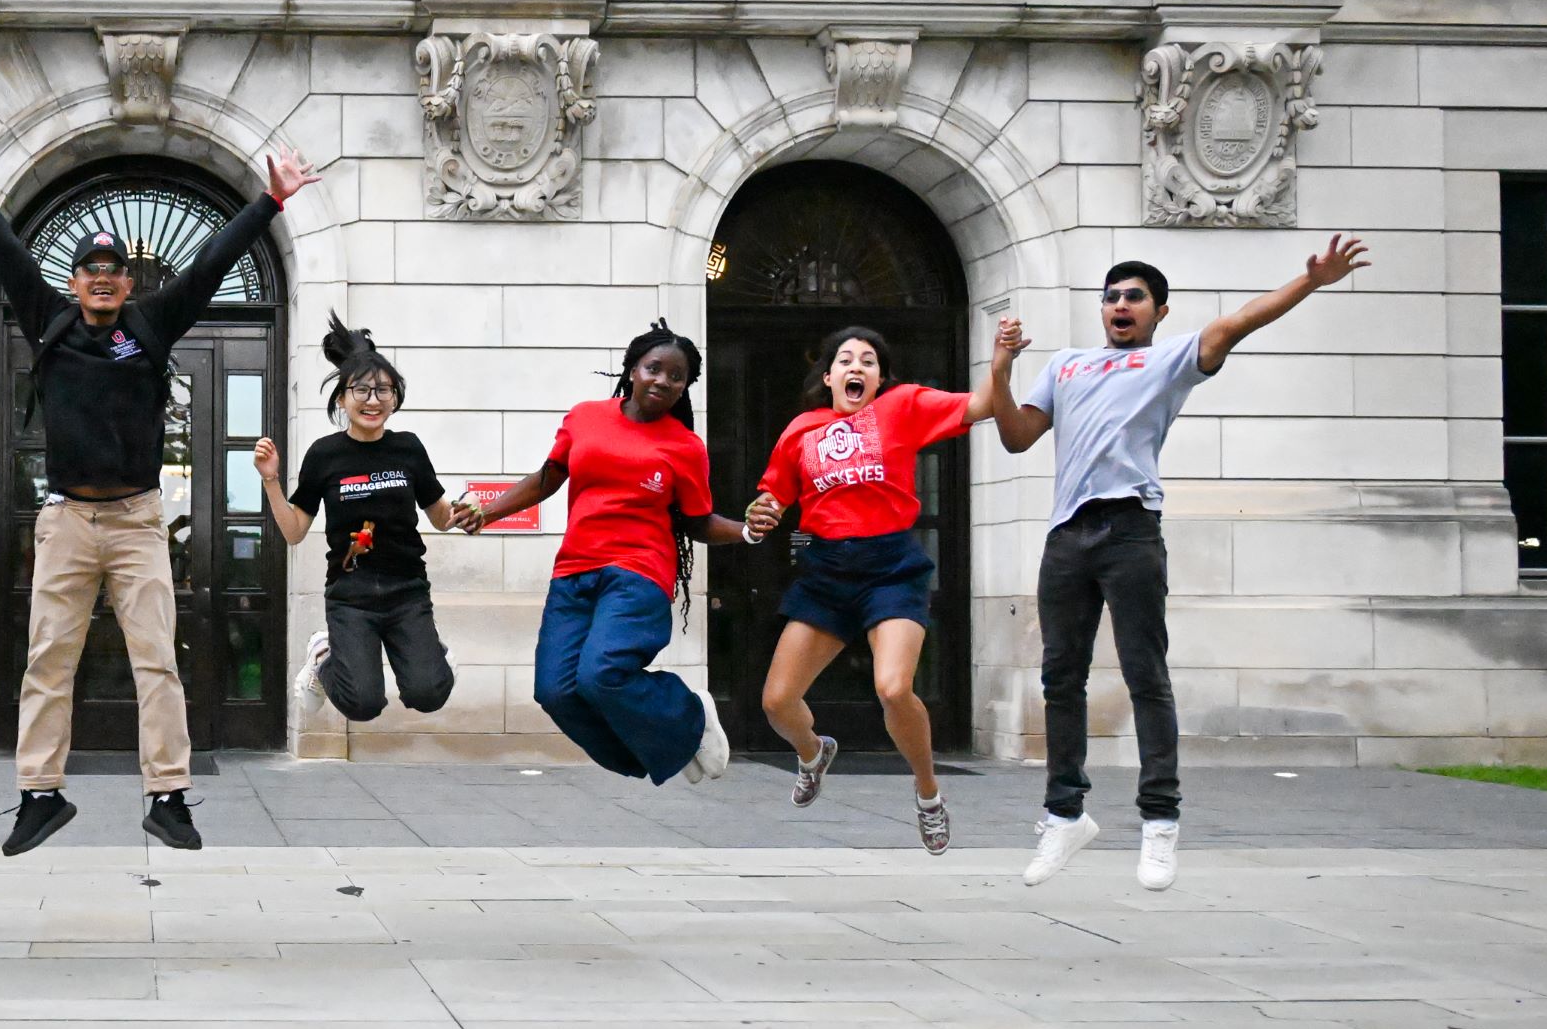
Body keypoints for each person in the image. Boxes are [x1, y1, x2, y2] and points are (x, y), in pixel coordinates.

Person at [0, 122, 316, 855]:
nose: (102, 278)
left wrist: (270, 201)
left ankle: (168, 796)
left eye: (112, 269)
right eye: (90, 269)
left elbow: (209, 263)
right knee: (49, 657)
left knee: (156, 658)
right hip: (67, 520)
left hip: (139, 520)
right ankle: (39, 795)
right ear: (73, 281)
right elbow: (2, 246)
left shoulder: (150, 324)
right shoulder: (48, 319)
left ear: (128, 281)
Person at [995, 238, 1370, 891]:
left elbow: (1240, 321)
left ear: (1159, 312)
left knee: (1146, 676)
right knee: (1061, 679)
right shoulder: (1067, 366)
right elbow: (1016, 436)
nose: (1120, 306)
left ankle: (1160, 823)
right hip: (1067, 536)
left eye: (1134, 297)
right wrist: (999, 370)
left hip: (1130, 530)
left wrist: (1308, 283)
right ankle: (1065, 815)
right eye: (1111, 297)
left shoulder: (1168, 359)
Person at [742, 318, 1028, 853]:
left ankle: (928, 796)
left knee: (894, 688)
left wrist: (1001, 361)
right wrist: (762, 513)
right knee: (778, 702)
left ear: (879, 379)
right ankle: (813, 754)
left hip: (890, 566)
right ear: (828, 377)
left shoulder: (903, 407)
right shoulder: (800, 430)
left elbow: (984, 403)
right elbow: (774, 497)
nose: (856, 367)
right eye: (846, 360)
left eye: (868, 362)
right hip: (826, 571)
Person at [451, 320, 744, 788]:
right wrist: (488, 512)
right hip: (574, 572)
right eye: (654, 368)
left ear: (685, 386)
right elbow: (546, 479)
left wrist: (747, 532)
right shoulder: (586, 417)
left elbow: (698, 522)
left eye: (676, 376)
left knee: (601, 674)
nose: (663, 381)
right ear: (631, 370)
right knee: (556, 691)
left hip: (638, 573)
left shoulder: (685, 447)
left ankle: (686, 709)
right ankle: (661, 750)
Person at [255, 316, 455, 726]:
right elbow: (294, 532)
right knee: (363, 704)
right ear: (343, 399)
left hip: (407, 591)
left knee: (428, 693)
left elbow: (441, 516)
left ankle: (426, 653)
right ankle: (325, 656)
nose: (373, 399)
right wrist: (271, 480)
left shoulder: (409, 448)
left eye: (383, 390)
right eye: (361, 390)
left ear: (395, 398)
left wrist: (468, 513)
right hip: (351, 595)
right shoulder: (325, 455)